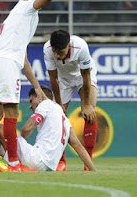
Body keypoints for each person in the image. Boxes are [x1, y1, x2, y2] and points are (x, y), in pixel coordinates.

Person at [0, 0, 78, 172]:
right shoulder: (25, 7)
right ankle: (14, 164)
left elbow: (23, 60)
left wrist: (38, 88)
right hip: (4, 63)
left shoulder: (20, 20)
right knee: (11, 111)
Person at [43, 29, 97, 171]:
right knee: (57, 117)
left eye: (60, 52)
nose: (56, 55)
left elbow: (86, 76)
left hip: (82, 77)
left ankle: (88, 163)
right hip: (63, 79)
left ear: (69, 46)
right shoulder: (48, 49)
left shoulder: (81, 47)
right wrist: (59, 106)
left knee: (90, 113)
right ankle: (61, 162)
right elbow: (53, 78)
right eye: (55, 51)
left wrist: (86, 104)